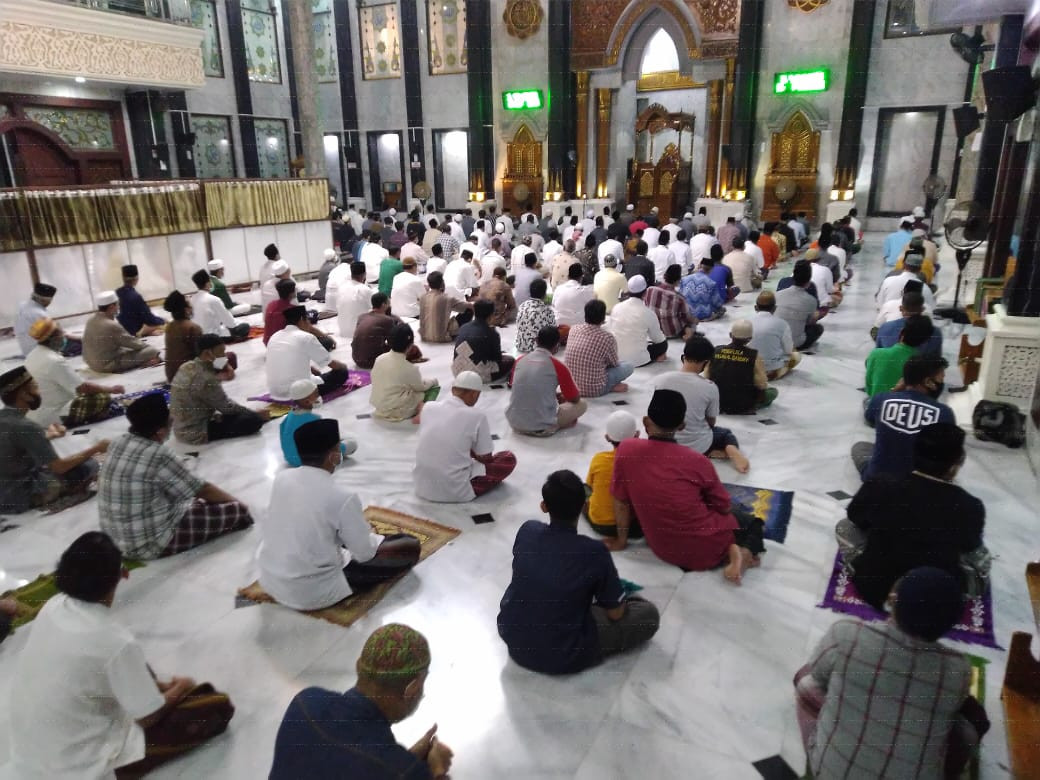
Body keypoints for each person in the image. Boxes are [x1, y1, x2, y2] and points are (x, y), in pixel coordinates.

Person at [7, 531, 235, 779]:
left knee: (138, 675)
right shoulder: (113, 641)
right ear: (119, 577)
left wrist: (157, 686)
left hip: (32, 750)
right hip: (80, 764)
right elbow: (148, 718)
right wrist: (181, 687)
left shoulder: (54, 607)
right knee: (215, 706)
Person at [794, 567, 988, 780]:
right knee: (967, 725)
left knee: (806, 679)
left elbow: (819, 676)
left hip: (829, 773)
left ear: (893, 599)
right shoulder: (958, 670)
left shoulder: (847, 635)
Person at [497, 470, 660, 675]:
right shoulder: (594, 552)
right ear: (584, 506)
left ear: (544, 506)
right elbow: (616, 614)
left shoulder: (528, 530)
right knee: (647, 614)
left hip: (513, 634)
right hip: (563, 654)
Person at [260, 419, 421, 611]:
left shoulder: (282, 478)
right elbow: (364, 554)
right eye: (338, 449)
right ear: (333, 456)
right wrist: (372, 538)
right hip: (311, 591)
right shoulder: (342, 497)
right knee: (409, 545)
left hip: (271, 579)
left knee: (335, 528)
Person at [608, 389, 766, 583]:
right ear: (682, 426)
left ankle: (734, 554)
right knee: (751, 522)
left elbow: (621, 501)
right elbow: (723, 506)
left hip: (662, 549)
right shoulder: (697, 461)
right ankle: (742, 554)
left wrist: (621, 541)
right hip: (708, 551)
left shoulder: (626, 449)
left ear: (646, 423)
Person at [270, 623, 452, 779]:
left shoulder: (306, 701)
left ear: (359, 665)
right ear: (412, 688)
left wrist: (405, 760)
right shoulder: (402, 772)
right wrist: (437, 770)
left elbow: (338, 763)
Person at [838, 423, 989, 611]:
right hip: (932, 603)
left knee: (844, 526)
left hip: (875, 589)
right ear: (955, 465)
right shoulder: (970, 506)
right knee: (980, 558)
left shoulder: (881, 484)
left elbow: (854, 516)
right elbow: (969, 547)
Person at [98, 392, 252, 559]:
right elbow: (202, 489)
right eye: (169, 419)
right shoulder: (158, 454)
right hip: (148, 544)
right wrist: (239, 504)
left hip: (115, 540)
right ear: (159, 431)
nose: (172, 420)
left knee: (194, 501)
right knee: (235, 512)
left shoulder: (118, 442)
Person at [0, 366, 107, 513]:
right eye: (35, 387)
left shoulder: (5, 418)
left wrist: (49, 436)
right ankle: (63, 493)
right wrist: (97, 448)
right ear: (24, 395)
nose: (39, 392)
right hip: (18, 495)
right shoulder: (26, 426)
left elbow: (12, 445)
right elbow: (59, 467)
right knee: (88, 466)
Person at [413, 371, 517, 502]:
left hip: (421, 486)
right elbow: (486, 458)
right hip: (455, 490)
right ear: (475, 394)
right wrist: (473, 452)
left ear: (452, 390)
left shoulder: (428, 407)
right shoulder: (477, 416)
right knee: (508, 459)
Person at [654, 335, 751, 473]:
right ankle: (730, 451)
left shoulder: (661, 380)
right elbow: (711, 422)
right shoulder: (710, 387)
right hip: (698, 446)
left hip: (665, 443)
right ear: (706, 363)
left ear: (684, 356)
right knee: (725, 434)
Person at [852, 355, 954, 481]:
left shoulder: (881, 399)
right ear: (928, 382)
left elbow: (870, 418)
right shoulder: (945, 413)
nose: (942, 383)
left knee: (860, 447)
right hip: (920, 487)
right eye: (941, 378)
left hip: (877, 481)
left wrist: (894, 391)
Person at [25, 317, 123, 428]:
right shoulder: (54, 360)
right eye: (62, 333)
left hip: (36, 414)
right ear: (54, 338)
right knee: (101, 396)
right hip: (56, 415)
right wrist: (111, 389)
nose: (65, 336)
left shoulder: (31, 355)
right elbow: (83, 388)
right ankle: (86, 417)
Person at [170, 334, 268, 444]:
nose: (224, 356)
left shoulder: (187, 365)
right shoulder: (207, 379)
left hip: (180, 427)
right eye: (221, 352)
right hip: (196, 431)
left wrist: (225, 367)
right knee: (253, 420)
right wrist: (254, 413)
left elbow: (212, 376)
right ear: (208, 353)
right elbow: (227, 407)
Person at [507, 326, 587, 436]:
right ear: (557, 345)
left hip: (515, 423)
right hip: (542, 427)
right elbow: (574, 398)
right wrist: (562, 396)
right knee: (582, 404)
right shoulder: (558, 366)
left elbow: (518, 386)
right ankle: (557, 424)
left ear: (536, 340)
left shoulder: (519, 360)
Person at [267, 305, 349, 399]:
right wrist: (343, 366)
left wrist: (311, 369)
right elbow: (332, 364)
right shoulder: (306, 337)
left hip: (275, 392)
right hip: (300, 393)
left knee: (317, 374)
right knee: (341, 372)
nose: (309, 324)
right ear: (302, 319)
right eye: (308, 320)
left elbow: (286, 361)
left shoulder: (274, 336)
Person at [583, 411, 644, 537]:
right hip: (632, 525)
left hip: (601, 525)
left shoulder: (598, 459)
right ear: (637, 435)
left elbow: (591, 486)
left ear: (607, 437)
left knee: (584, 489)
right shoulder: (642, 462)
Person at [279, 379, 358, 467]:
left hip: (289, 457)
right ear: (307, 401)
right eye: (316, 394)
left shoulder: (290, 414)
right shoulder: (313, 419)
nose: (319, 396)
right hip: (305, 461)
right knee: (352, 443)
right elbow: (324, 443)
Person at [702, 319, 776, 413]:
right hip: (742, 405)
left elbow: (707, 377)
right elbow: (761, 384)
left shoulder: (716, 350)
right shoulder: (754, 355)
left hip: (717, 402)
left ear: (730, 335)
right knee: (773, 392)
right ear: (750, 338)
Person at [371, 323, 438, 422]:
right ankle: (421, 411)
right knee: (426, 391)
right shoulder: (409, 368)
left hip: (379, 405)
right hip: (397, 410)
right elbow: (421, 387)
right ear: (410, 345)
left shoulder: (379, 359)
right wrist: (433, 381)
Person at [565, 299, 634, 396]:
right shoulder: (607, 337)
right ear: (603, 317)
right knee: (628, 365)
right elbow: (613, 364)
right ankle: (610, 387)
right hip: (594, 389)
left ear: (585, 314)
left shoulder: (573, 329)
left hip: (572, 386)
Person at [82, 290, 162, 373]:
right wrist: (148, 348)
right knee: (152, 350)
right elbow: (134, 343)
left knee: (126, 347)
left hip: (91, 362)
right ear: (111, 307)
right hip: (105, 365)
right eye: (117, 304)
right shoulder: (111, 325)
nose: (119, 307)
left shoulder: (91, 320)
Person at [864, 314, 935, 397]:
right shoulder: (921, 365)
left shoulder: (876, 353)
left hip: (874, 403)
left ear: (902, 332)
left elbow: (869, 385)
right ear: (925, 341)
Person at [609, 275, 667, 367]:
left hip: (617, 356)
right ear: (645, 292)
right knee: (663, 344)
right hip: (639, 360)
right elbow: (658, 339)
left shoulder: (616, 307)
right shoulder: (648, 313)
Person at [353, 293, 422, 370]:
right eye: (389, 302)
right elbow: (394, 342)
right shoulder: (386, 320)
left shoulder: (362, 316)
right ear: (384, 305)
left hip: (356, 358)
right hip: (371, 361)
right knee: (408, 347)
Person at [452, 300, 514, 382]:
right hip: (476, 376)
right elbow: (497, 359)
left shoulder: (464, 327)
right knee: (510, 360)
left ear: (474, 312)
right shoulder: (491, 333)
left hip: (457, 371)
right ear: (491, 315)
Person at [15, 283, 82, 358]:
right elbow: (58, 335)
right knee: (80, 345)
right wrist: (80, 338)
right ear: (44, 301)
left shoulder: (22, 305)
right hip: (38, 351)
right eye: (50, 301)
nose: (50, 303)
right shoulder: (40, 314)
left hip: (26, 348)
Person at [749, 291, 800, 380]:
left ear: (755, 307)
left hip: (751, 368)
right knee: (796, 355)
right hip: (772, 368)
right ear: (774, 308)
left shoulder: (747, 322)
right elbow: (788, 350)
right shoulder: (782, 324)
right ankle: (773, 374)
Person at [775, 260, 825, 350]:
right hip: (796, 343)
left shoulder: (778, 294)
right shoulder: (811, 300)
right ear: (809, 280)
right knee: (818, 328)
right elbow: (810, 322)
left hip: (776, 340)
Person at [876, 290, 942, 357]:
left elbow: (878, 352)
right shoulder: (935, 332)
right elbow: (937, 359)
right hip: (921, 366)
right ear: (922, 309)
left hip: (892, 365)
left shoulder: (885, 327)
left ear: (901, 308)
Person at [191, 270, 251, 341]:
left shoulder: (191, 299)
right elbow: (230, 323)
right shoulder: (214, 299)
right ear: (208, 283)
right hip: (212, 337)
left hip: (197, 337)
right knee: (245, 327)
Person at [643, 264, 697, 340]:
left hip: (653, 330)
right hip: (672, 331)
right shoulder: (679, 298)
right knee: (691, 321)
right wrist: (695, 320)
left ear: (664, 276)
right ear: (678, 280)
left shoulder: (650, 290)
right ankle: (688, 334)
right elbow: (687, 317)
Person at [419, 271, 472, 343]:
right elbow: (469, 306)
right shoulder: (447, 298)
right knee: (469, 310)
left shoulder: (423, 297)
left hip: (424, 335)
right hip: (442, 337)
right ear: (442, 283)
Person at [163, 289, 203, 383]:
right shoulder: (192, 327)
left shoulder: (169, 326)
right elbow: (201, 355)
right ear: (186, 309)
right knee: (229, 358)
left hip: (171, 376)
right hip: (188, 376)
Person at [115, 264, 165, 337]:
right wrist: (162, 321)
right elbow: (149, 319)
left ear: (123, 278)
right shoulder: (135, 297)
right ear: (137, 279)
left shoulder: (117, 293)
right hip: (135, 332)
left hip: (122, 331)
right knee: (167, 325)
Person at [680, 257, 726, 322]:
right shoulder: (711, 283)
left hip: (686, 313)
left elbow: (680, 296)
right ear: (711, 269)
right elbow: (717, 303)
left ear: (699, 266)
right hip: (703, 314)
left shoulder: (684, 279)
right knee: (722, 310)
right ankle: (710, 318)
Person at [552, 262, 596, 327]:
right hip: (577, 329)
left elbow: (553, 305)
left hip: (559, 326)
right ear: (581, 277)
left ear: (568, 276)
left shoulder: (558, 289)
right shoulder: (583, 291)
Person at [336, 261, 372, 337]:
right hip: (359, 332)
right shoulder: (365, 289)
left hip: (343, 330)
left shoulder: (341, 287)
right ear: (364, 274)